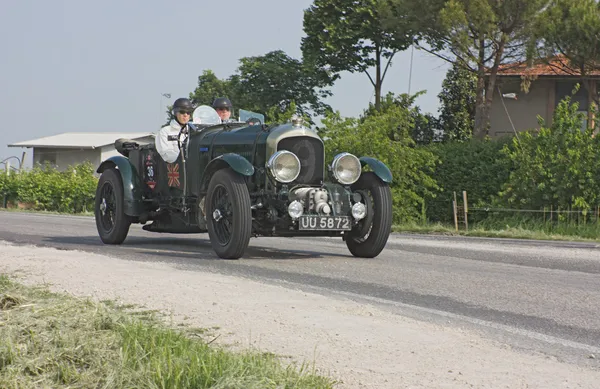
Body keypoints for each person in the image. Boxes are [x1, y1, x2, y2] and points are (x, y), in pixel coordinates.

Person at [156, 97, 193, 163]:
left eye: (188, 112)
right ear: (175, 113)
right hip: (176, 168)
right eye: (182, 112)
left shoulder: (193, 131)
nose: (185, 115)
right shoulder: (165, 132)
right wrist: (184, 159)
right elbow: (166, 154)